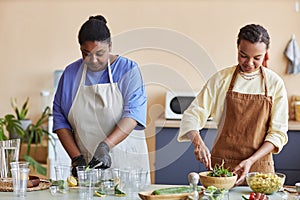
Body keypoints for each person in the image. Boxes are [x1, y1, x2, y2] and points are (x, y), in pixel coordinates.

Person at [178, 24, 288, 185]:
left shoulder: (274, 83)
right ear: (237, 48)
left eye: (257, 58)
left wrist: (250, 161)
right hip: (222, 169)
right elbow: (192, 115)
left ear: (266, 54)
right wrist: (198, 143)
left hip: (259, 171)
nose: (249, 63)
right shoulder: (221, 79)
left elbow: (278, 133)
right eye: (243, 55)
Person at [52, 15, 150, 177]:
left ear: (110, 46)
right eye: (86, 53)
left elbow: (133, 115)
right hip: (87, 166)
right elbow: (60, 118)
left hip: (127, 166)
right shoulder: (71, 74)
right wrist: (76, 157)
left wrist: (105, 146)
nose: (93, 60)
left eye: (100, 53)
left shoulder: (128, 70)